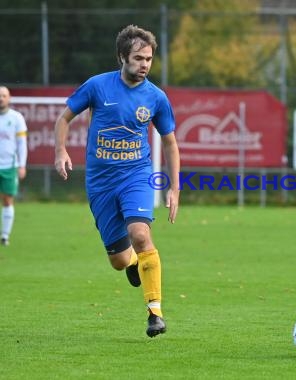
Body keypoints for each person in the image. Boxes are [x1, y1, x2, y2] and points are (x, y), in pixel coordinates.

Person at [54, 25, 180, 338]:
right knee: (120, 260)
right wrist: (60, 151)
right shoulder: (97, 86)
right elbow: (63, 118)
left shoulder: (156, 97)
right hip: (100, 183)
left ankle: (155, 313)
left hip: (136, 175)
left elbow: (170, 142)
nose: (145, 64)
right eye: (138, 58)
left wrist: (174, 187)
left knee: (140, 233)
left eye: (149, 58)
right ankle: (134, 262)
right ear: (122, 57)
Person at [0, 86, 28, 247]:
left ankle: (4, 235)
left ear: (9, 98)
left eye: (3, 95)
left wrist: (22, 165)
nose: (1, 98)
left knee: (7, 199)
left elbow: (21, 144)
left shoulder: (16, 118)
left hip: (9, 166)